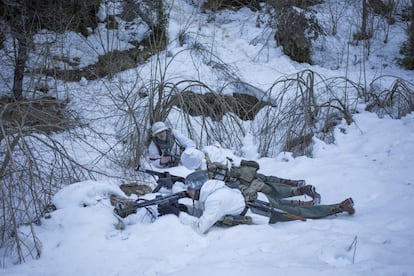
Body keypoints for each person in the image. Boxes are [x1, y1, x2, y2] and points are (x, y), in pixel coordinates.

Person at [177, 171, 355, 234]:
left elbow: (201, 227)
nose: (189, 192)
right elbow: (207, 209)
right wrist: (186, 207)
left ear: (199, 187)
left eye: (190, 189)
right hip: (258, 200)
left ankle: (337, 208)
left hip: (262, 212)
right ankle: (309, 200)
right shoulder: (215, 189)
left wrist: (181, 215)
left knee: (300, 214)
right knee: (290, 206)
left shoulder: (215, 200)